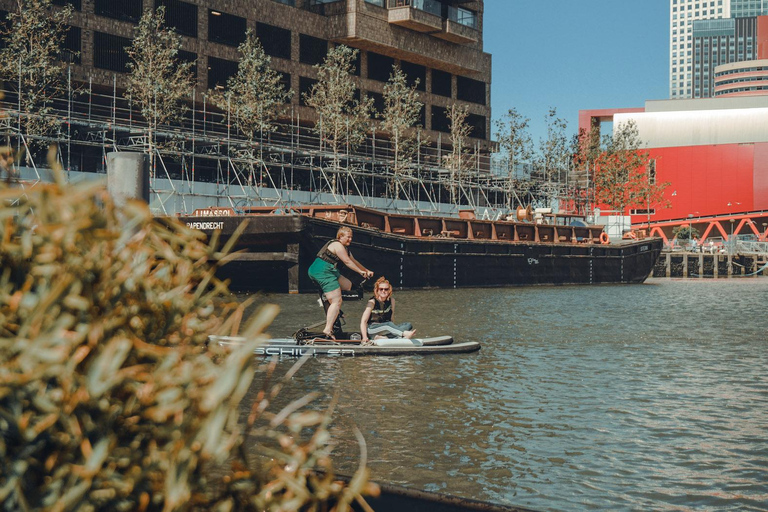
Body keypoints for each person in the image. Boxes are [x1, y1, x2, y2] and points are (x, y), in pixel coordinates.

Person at [308, 226, 373, 339]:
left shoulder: (345, 248)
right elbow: (347, 261)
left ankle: (332, 304)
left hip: (331, 271)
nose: (350, 239)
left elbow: (353, 260)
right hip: (322, 271)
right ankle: (328, 329)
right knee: (337, 300)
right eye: (348, 237)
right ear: (340, 236)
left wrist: (366, 270)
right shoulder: (337, 245)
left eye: (351, 237)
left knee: (348, 285)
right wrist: (361, 272)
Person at [360, 277, 415, 342]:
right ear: (377, 290)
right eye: (381, 289)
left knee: (408, 325)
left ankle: (383, 338)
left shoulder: (392, 301)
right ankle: (403, 335)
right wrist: (364, 337)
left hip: (386, 327)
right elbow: (363, 321)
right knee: (388, 325)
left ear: (389, 291)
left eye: (386, 289)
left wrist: (393, 331)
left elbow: (391, 319)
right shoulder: (372, 302)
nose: (383, 291)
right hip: (373, 329)